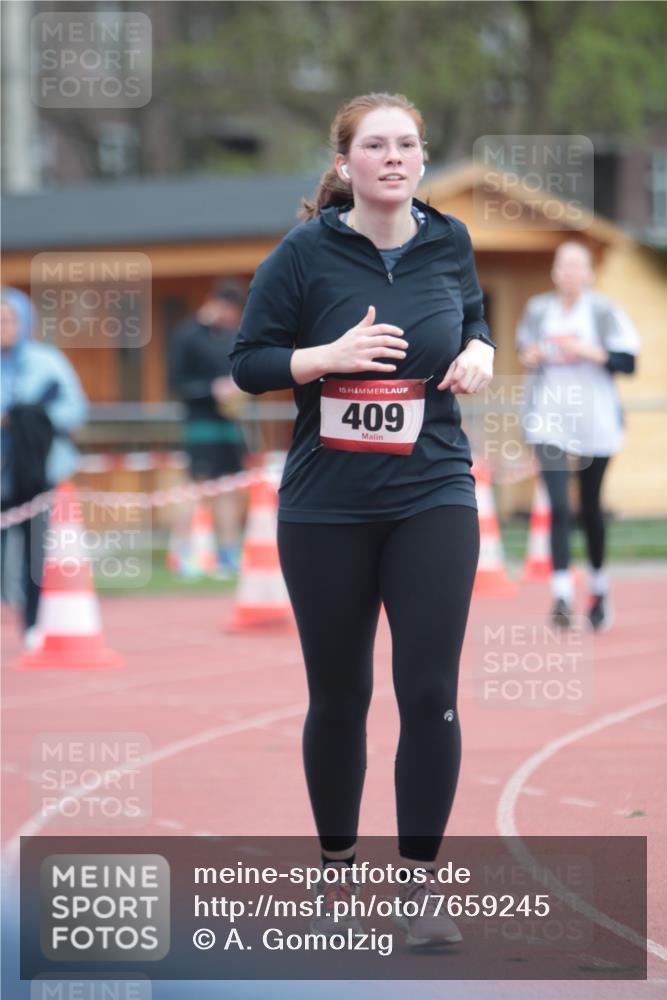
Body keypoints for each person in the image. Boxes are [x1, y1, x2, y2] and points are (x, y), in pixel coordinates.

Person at [230, 92, 495, 947]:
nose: (392, 156)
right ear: (344, 165)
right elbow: (249, 364)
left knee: (429, 694)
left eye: (407, 144)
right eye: (374, 145)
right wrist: (326, 358)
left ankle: (419, 892)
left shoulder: (449, 239)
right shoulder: (303, 254)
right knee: (340, 696)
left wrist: (481, 351)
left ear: (421, 160)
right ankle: (336, 874)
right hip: (326, 506)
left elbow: (474, 314)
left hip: (433, 490)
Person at [516, 241, 639, 630]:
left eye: (577, 266)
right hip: (549, 420)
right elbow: (524, 349)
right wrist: (532, 354)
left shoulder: (602, 312)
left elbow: (629, 361)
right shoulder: (539, 310)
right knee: (559, 506)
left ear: (588, 273)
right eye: (563, 265)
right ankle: (562, 595)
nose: (569, 272)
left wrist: (588, 350)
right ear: (555, 272)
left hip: (596, 420)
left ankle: (599, 588)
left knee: (589, 506)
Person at [1, 287, 88, 649]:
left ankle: (34, 623)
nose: (3, 326)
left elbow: (75, 411)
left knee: (35, 552)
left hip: (39, 474)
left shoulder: (47, 362)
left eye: (8, 319)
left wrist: (29, 418)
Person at [168, 281, 249, 578]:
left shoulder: (230, 335)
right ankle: (183, 553)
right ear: (212, 301)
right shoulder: (186, 334)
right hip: (199, 422)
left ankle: (229, 553)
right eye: (227, 308)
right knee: (195, 487)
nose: (229, 316)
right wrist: (210, 389)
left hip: (229, 423)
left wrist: (237, 388)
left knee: (228, 488)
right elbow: (176, 382)